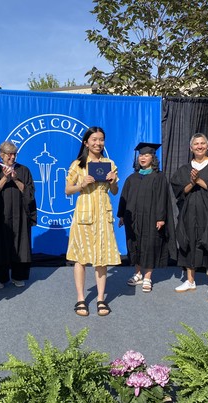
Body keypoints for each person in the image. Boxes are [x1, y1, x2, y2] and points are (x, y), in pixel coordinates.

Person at [65, 127, 121, 317]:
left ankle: (100, 299)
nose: (98, 143)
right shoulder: (78, 164)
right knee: (81, 257)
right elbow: (67, 190)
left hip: (103, 215)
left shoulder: (109, 163)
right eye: (94, 139)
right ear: (86, 142)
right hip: (84, 214)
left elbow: (114, 191)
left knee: (102, 257)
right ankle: (81, 298)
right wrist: (82, 184)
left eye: (101, 140)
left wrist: (113, 181)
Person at [170, 133, 208, 303]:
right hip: (189, 213)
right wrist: (192, 182)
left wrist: (200, 181)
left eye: (203, 143)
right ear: (191, 148)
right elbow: (179, 191)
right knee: (189, 243)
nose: (199, 146)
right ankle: (190, 280)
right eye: (196, 144)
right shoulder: (184, 169)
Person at [118, 142, 176, 293]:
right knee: (135, 244)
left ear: (153, 157)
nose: (143, 158)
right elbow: (124, 197)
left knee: (149, 245)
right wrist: (122, 215)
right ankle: (137, 274)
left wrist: (161, 217)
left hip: (151, 218)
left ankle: (148, 277)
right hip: (134, 219)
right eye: (141, 155)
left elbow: (162, 198)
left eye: (146, 155)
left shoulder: (159, 177)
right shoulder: (132, 178)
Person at [0, 141, 37, 288]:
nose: (12, 157)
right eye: (9, 154)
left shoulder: (23, 170)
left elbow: (29, 193)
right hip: (1, 214)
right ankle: (1, 277)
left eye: (14, 154)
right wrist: (4, 178)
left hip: (20, 213)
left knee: (20, 243)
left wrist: (15, 179)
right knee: (0, 243)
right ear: (1, 155)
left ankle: (18, 275)